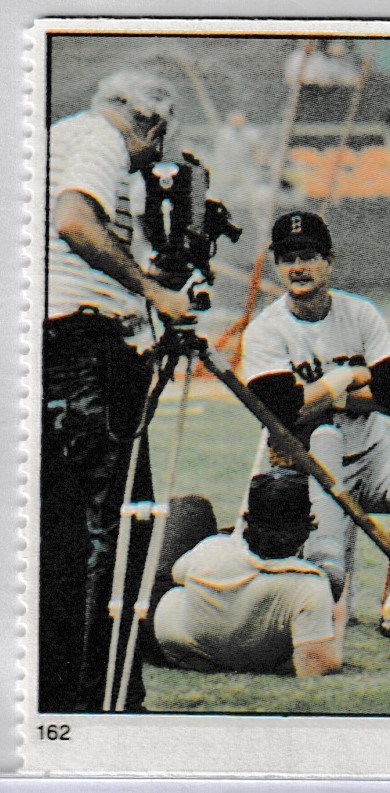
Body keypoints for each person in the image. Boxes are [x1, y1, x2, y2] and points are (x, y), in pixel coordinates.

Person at [40, 70, 195, 712]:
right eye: (156, 139)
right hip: (82, 352)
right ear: (148, 124)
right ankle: (101, 701)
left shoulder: (57, 139)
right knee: (114, 530)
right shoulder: (102, 140)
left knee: (62, 535)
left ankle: (66, 694)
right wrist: (153, 291)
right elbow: (75, 222)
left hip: (53, 350)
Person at [241, 211, 390, 641]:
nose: (298, 267)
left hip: (371, 457)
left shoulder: (360, 314)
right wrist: (349, 376)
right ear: (277, 266)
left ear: (329, 260)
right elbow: (283, 411)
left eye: (308, 256)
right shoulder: (265, 331)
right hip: (306, 469)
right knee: (332, 608)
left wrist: (320, 396)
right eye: (288, 258)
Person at [154, 469, 345, 676]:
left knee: (191, 507)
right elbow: (317, 665)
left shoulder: (213, 548)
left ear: (247, 519)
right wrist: (338, 616)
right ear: (307, 526)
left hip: (166, 641)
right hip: (230, 653)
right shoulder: (310, 586)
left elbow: (175, 575)